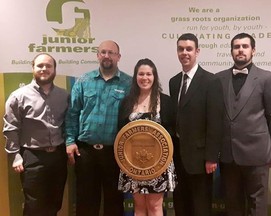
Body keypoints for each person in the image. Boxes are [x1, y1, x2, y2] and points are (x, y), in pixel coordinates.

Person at [216, 33, 271, 216]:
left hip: (258, 154)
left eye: (245, 46)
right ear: (231, 52)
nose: (240, 50)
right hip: (228, 156)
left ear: (253, 50)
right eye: (236, 46)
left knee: (257, 205)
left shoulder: (266, 78)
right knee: (232, 204)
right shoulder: (219, 79)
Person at [65, 40, 132, 216]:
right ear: (97, 55)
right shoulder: (84, 81)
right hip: (85, 152)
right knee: (86, 201)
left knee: (114, 202)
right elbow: (72, 113)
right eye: (103, 52)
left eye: (111, 52)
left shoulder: (129, 84)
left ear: (118, 56)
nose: (106, 56)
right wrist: (70, 141)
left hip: (115, 153)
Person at [3, 53, 69, 216]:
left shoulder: (64, 96)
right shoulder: (19, 96)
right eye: (40, 66)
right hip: (32, 157)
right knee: (34, 205)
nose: (44, 69)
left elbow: (68, 124)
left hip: (59, 157)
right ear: (33, 68)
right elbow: (11, 127)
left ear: (54, 69)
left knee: (55, 203)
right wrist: (15, 155)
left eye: (48, 66)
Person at [169, 33, 224, 216]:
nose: (184, 52)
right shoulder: (174, 81)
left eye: (189, 49)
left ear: (197, 51)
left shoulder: (211, 81)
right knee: (181, 206)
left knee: (200, 208)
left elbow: (215, 122)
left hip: (201, 159)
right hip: (177, 157)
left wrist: (211, 157)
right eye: (181, 49)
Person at [118, 58, 177, 216]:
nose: (145, 78)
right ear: (135, 77)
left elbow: (172, 132)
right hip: (132, 163)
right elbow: (120, 134)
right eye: (141, 74)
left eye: (149, 74)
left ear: (155, 77)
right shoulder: (126, 102)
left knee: (154, 206)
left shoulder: (166, 102)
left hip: (159, 163)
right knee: (138, 206)